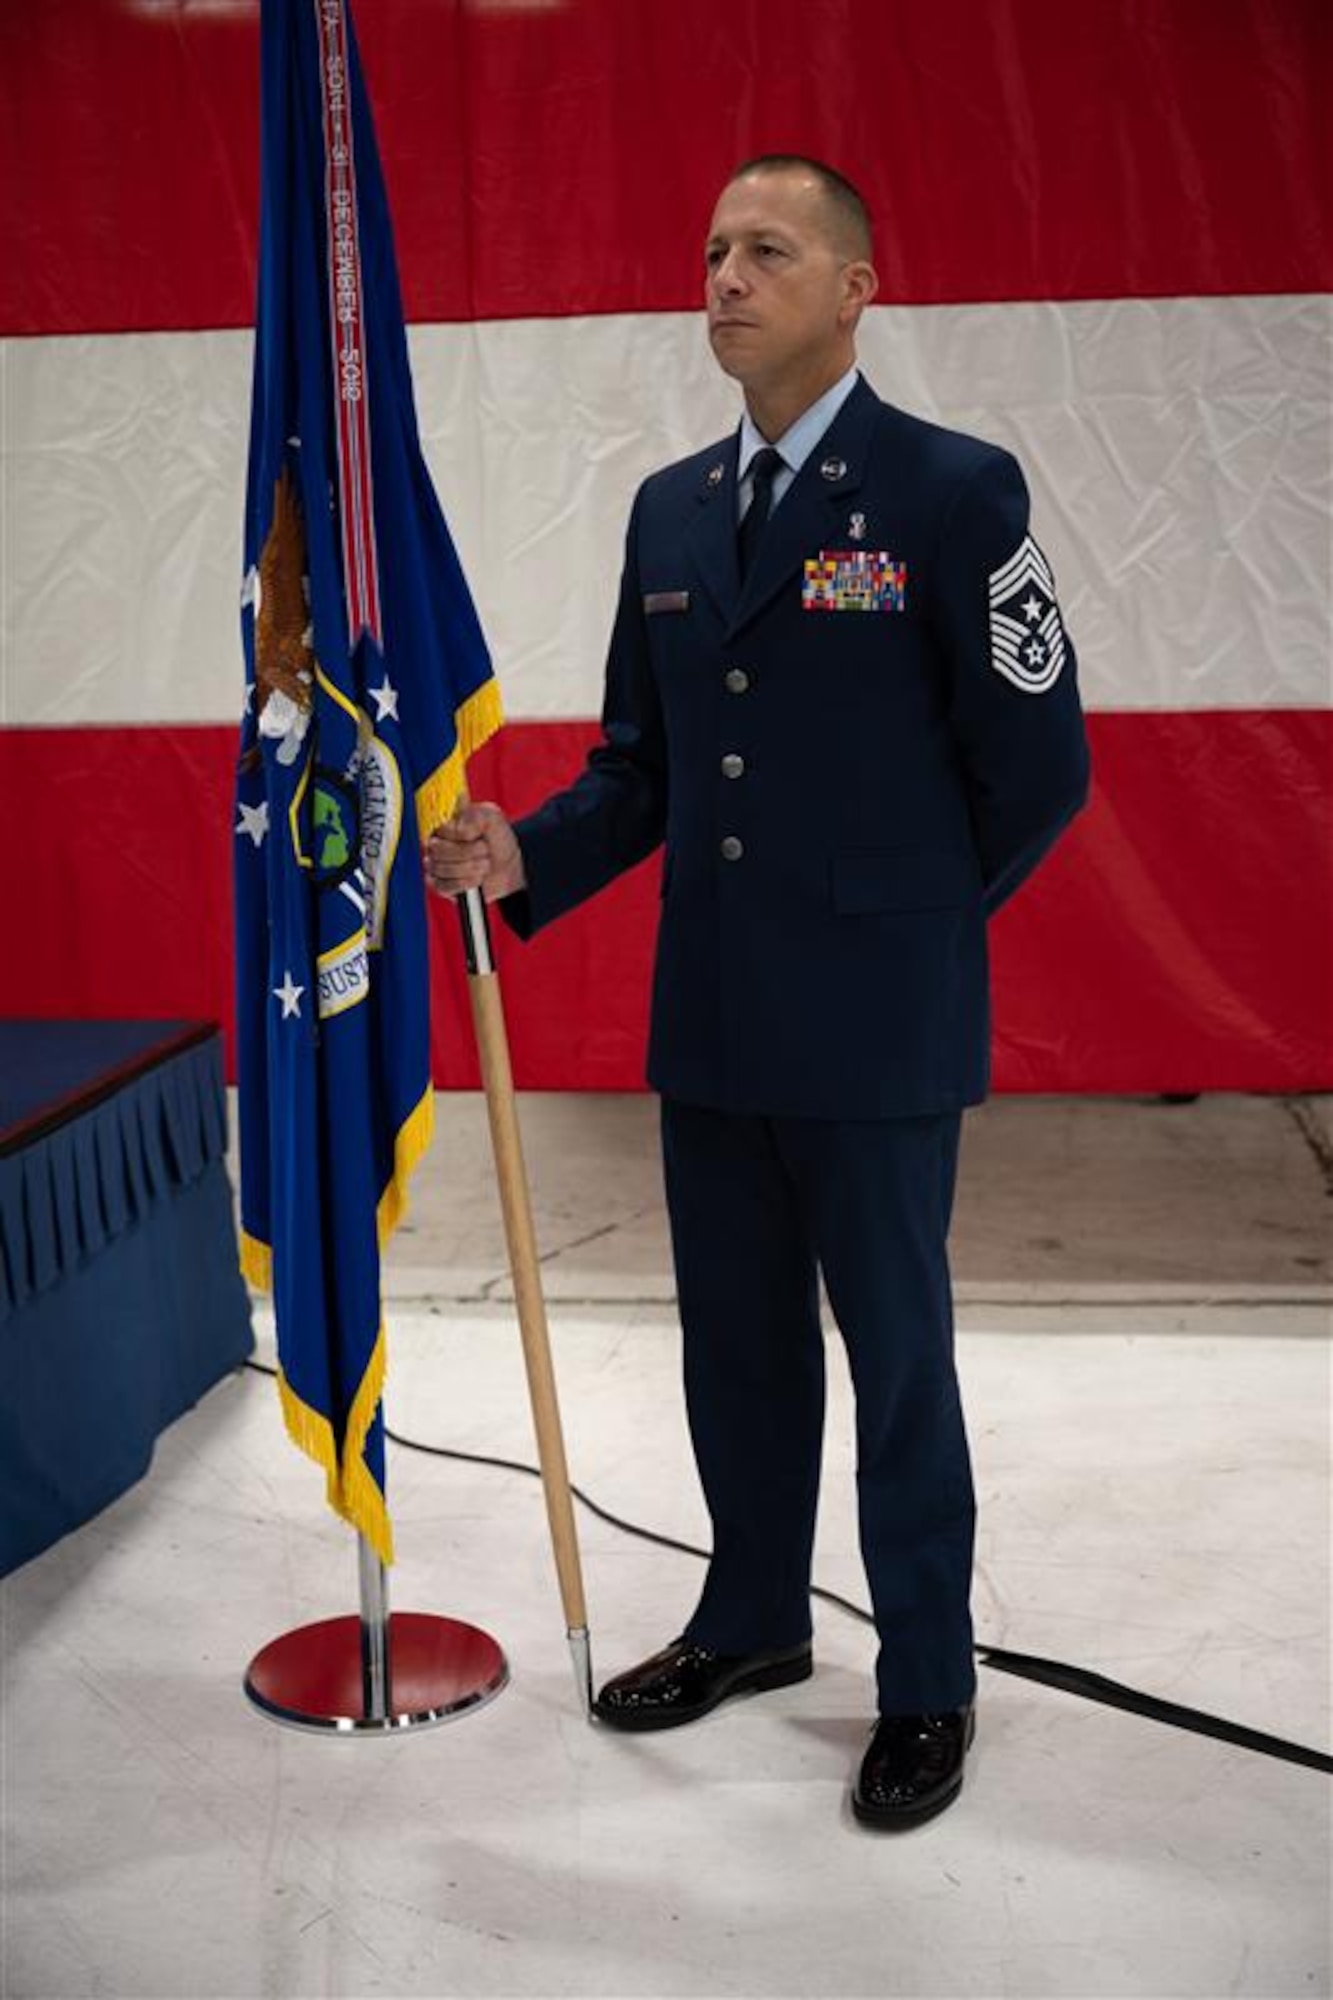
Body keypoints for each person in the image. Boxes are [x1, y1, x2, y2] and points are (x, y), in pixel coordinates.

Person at [425, 155, 1089, 1828]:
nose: (723, 276)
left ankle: (927, 1677)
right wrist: (530, 859)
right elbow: (645, 766)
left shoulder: (951, 492)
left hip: (874, 1025)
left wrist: (911, 927)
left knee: (898, 1358)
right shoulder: (667, 508)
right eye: (712, 249)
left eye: (766, 251)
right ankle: (750, 1621)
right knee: (732, 1349)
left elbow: (1036, 767)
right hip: (711, 1018)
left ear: (854, 287)